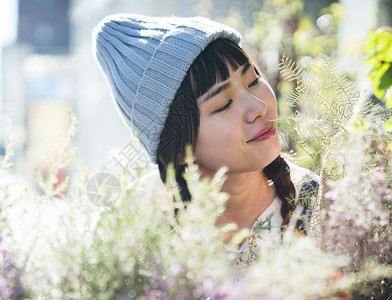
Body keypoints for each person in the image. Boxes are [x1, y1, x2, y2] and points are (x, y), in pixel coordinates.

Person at [92, 14, 318, 272]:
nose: (258, 107)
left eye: (253, 80)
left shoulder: (322, 205)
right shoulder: (131, 234)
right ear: (176, 148)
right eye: (223, 105)